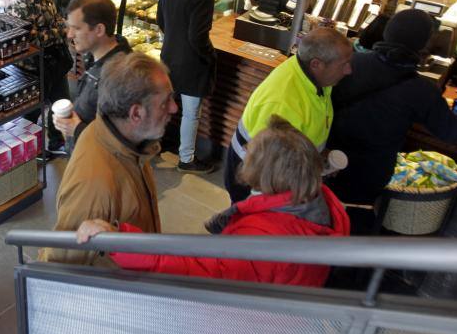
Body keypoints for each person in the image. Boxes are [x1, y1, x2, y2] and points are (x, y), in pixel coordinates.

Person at [77, 116, 350, 287]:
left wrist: (119, 240)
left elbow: (195, 270)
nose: (245, 155)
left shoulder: (262, 236)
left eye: (252, 153)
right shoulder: (319, 206)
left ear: (267, 172)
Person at [327, 9, 457, 212]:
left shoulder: (349, 63)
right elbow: (452, 130)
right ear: (424, 44)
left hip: (327, 160)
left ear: (387, 32)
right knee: (346, 219)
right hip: (368, 175)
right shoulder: (422, 90)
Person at [39, 53, 176, 266]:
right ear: (136, 114)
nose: (174, 108)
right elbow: (62, 261)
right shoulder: (94, 187)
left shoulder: (128, 143)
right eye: (165, 102)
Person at [225, 27, 353, 203]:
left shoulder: (312, 76)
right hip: (260, 181)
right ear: (316, 64)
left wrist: (318, 154)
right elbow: (269, 169)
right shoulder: (283, 103)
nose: (349, 70)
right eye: (343, 64)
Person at [0, 0, 72, 155]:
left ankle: (55, 142)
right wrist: (62, 30)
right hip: (34, 65)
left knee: (61, 101)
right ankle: (27, 151)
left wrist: (60, 25)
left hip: (53, 59)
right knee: (32, 110)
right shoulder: (21, 0)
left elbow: (51, 16)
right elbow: (29, 39)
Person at [157, 0, 218, 174]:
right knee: (191, 113)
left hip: (168, 55)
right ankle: (186, 159)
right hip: (192, 61)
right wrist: (209, 55)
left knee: (164, 104)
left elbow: (160, 20)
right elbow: (197, 36)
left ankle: (154, 143)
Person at [53, 0, 131, 152]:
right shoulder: (95, 58)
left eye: (76, 28)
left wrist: (77, 129)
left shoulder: (119, 77)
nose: (69, 34)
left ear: (99, 29)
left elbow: (122, 142)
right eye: (69, 27)